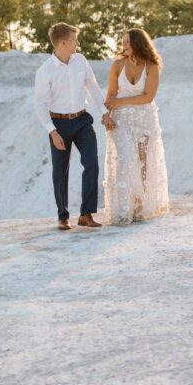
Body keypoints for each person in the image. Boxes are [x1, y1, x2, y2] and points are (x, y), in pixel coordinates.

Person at [33, 22, 114, 231]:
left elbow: (93, 87)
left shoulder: (81, 61)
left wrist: (104, 113)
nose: (77, 43)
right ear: (63, 42)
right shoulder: (45, 71)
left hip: (82, 120)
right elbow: (40, 104)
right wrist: (52, 131)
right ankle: (63, 216)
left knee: (91, 164)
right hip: (58, 123)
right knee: (60, 171)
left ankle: (86, 215)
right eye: (74, 40)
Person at [101, 27, 170, 225]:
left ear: (138, 44)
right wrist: (107, 115)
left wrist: (119, 102)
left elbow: (148, 97)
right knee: (123, 160)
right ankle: (124, 209)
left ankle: (139, 206)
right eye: (122, 42)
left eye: (128, 42)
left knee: (142, 161)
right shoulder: (117, 65)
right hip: (121, 120)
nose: (124, 46)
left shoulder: (152, 66)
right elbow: (111, 94)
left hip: (144, 119)